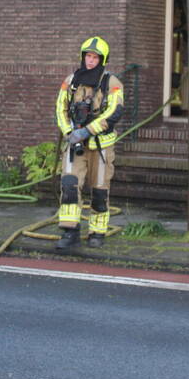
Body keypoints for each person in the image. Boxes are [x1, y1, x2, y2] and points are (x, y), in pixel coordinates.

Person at [55, 36, 124, 250]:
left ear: (102, 59)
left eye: (95, 57)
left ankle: (97, 232)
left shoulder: (112, 83)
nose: (90, 61)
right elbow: (60, 108)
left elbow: (115, 111)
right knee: (69, 185)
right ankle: (70, 231)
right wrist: (70, 132)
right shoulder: (71, 81)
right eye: (88, 56)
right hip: (75, 145)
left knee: (99, 191)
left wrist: (87, 131)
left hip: (100, 147)